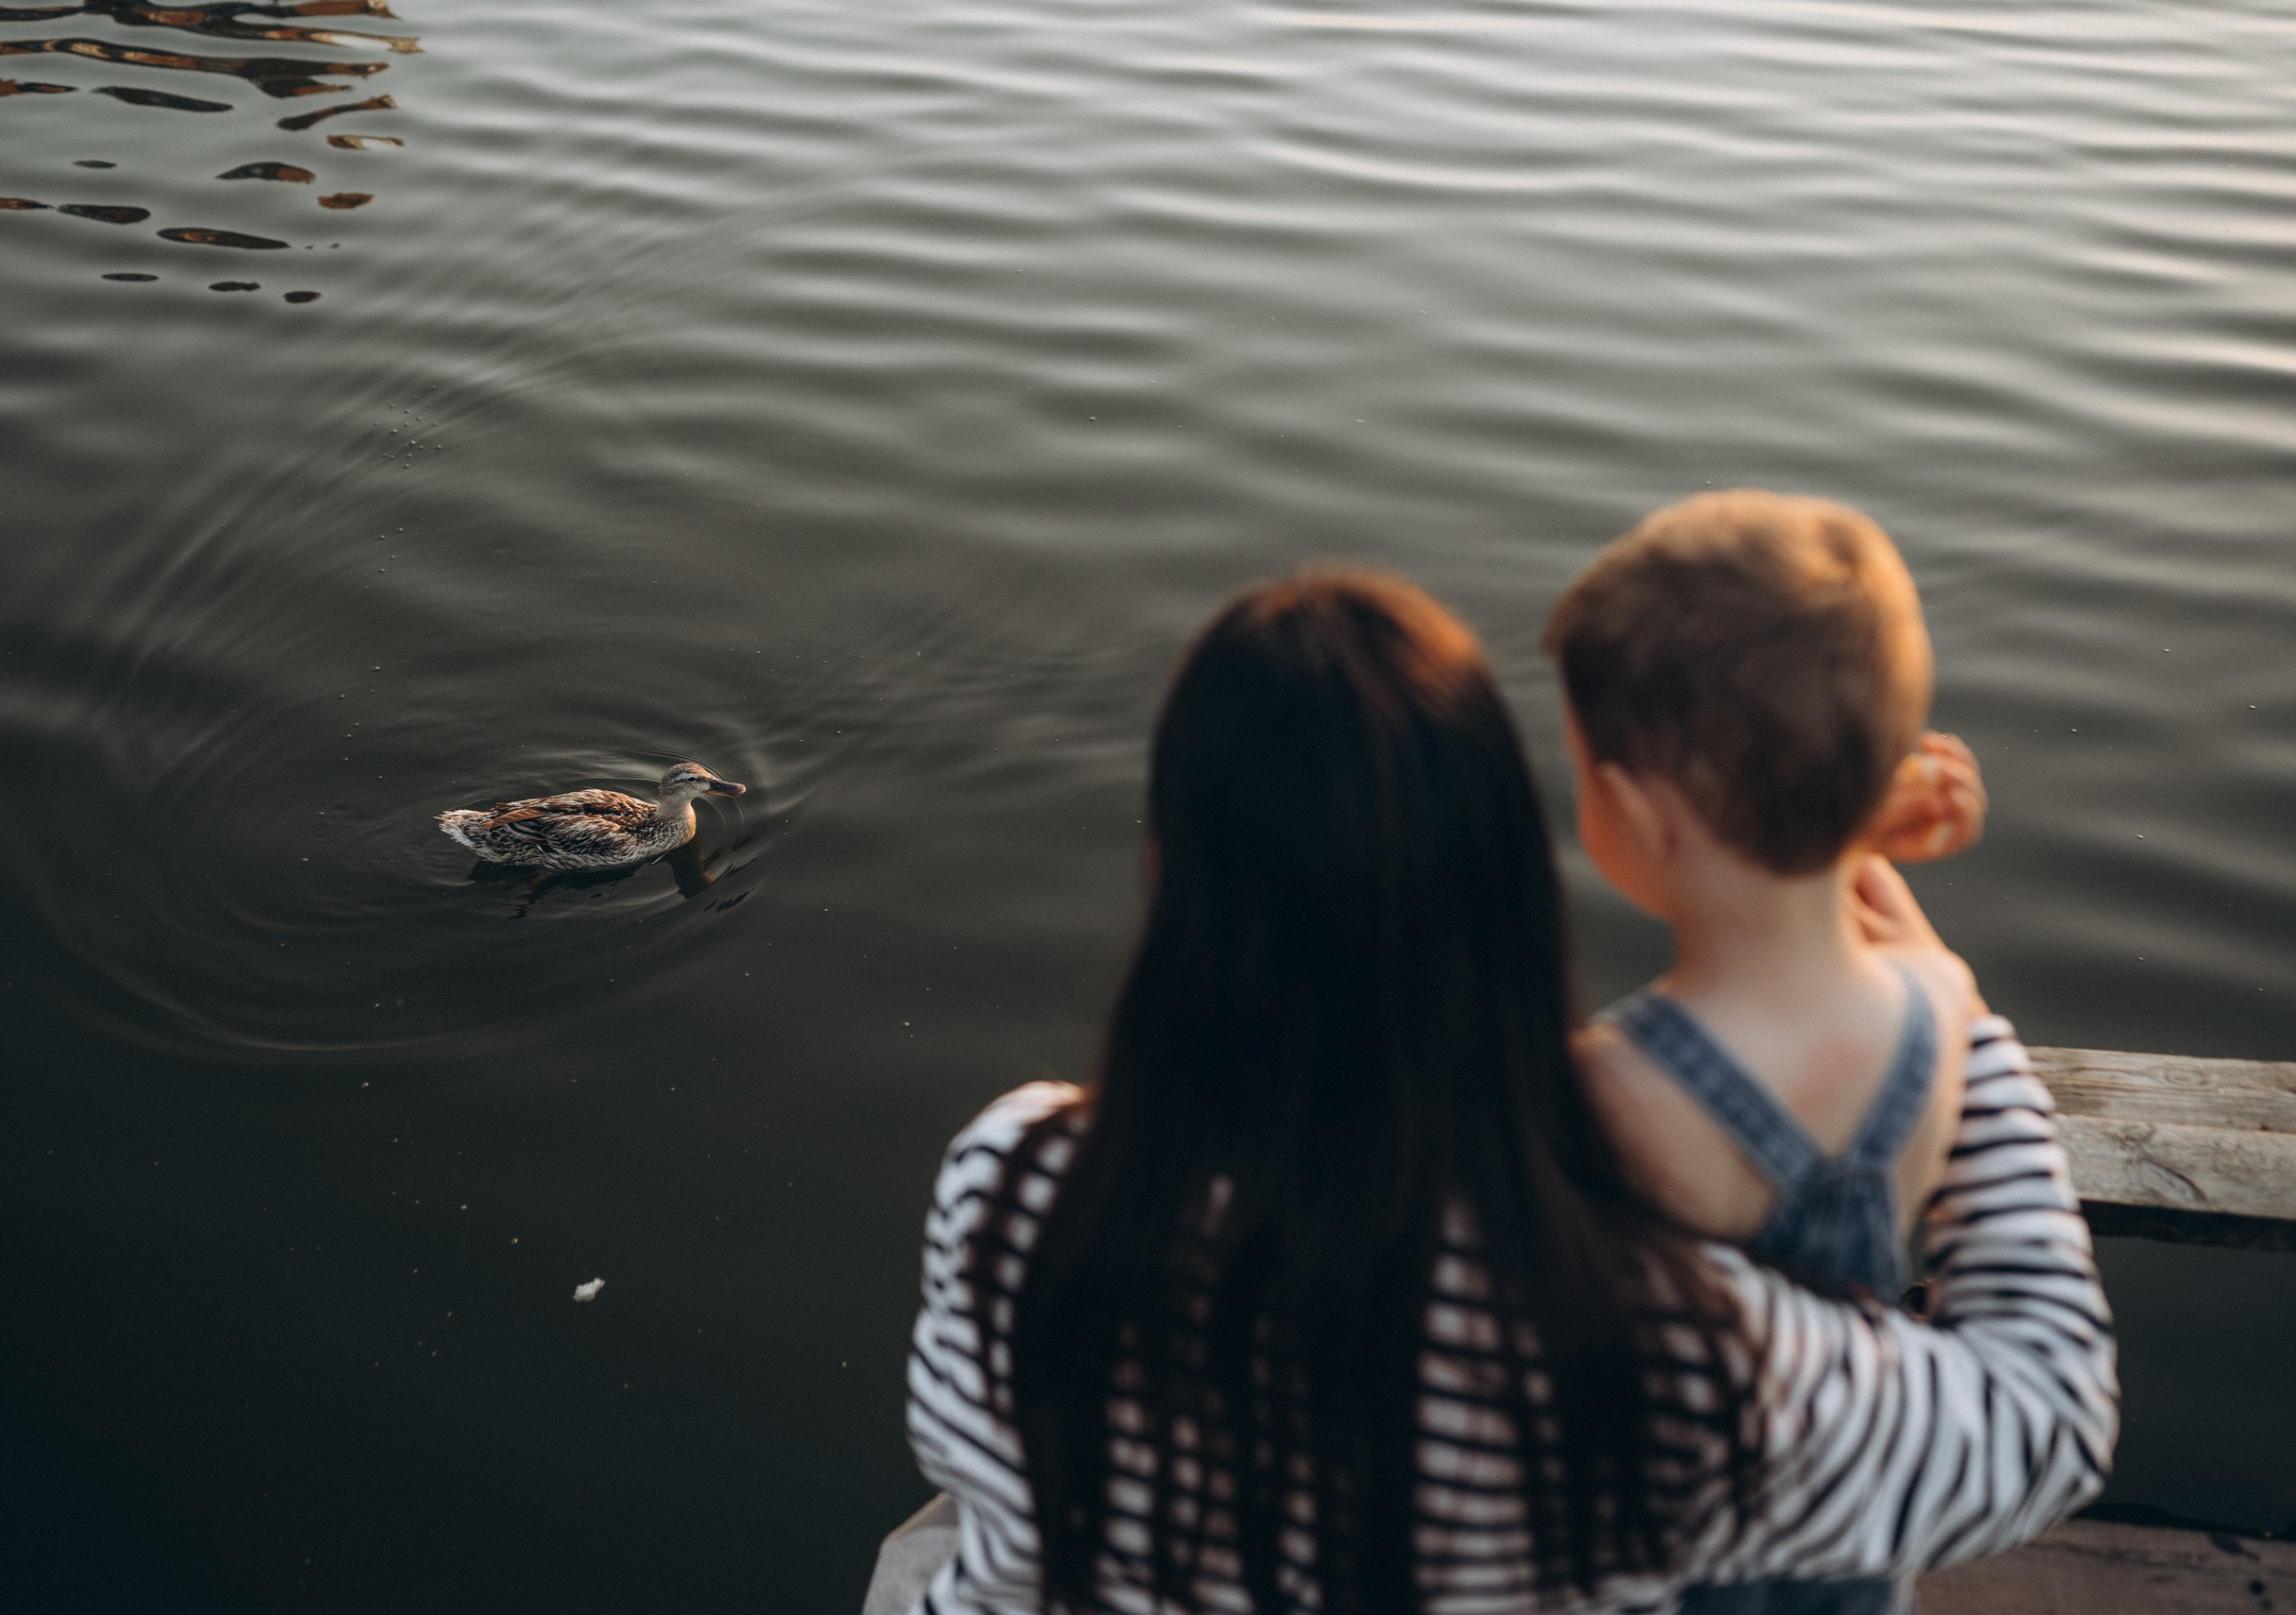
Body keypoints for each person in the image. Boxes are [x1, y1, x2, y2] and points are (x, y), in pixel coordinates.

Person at [892, 571, 2112, 1615]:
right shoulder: (1633, 1334)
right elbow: (2045, 1416)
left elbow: (1002, 1548)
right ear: (1511, 896)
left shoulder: (1008, 1181)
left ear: (1165, 872)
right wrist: (1955, 1017)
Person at [1546, 491, 1988, 1614]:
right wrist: (1837, 835)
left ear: (1641, 813)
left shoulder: (1614, 1087)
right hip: (1850, 1550)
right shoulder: (1938, 1004)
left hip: (1675, 1569)